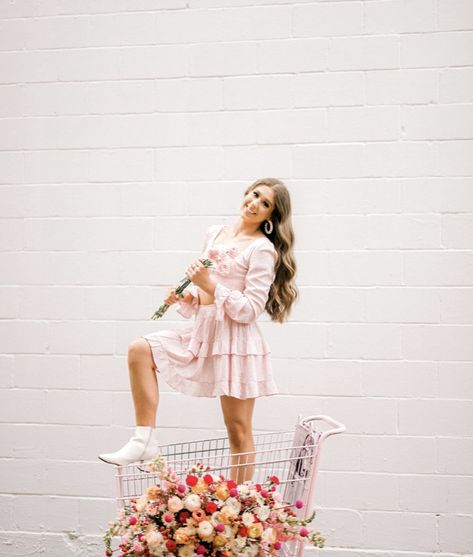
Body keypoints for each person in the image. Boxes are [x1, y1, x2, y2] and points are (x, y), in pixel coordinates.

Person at [98, 178, 298, 482]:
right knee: (140, 349)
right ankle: (144, 441)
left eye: (266, 203)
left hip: (236, 342)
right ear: (246, 193)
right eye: (255, 194)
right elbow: (205, 293)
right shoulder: (215, 233)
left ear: (271, 216)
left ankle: (239, 504)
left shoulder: (262, 250)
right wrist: (187, 295)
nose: (255, 203)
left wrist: (208, 284)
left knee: (238, 431)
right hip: (203, 330)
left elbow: (249, 310)